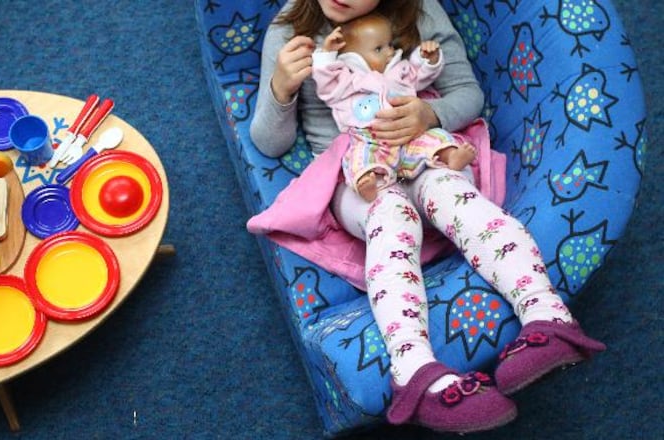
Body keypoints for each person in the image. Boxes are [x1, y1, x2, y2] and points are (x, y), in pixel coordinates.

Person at [250, 0, 605, 433]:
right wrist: (281, 88)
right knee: (392, 214)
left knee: (453, 194)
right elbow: (269, 143)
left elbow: (466, 93)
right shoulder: (290, 31)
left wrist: (428, 113)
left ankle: (549, 318)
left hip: (422, 146)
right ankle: (415, 371)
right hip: (354, 171)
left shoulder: (419, 12)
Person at [312, 12, 476, 201]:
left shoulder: (399, 72)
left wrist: (427, 59)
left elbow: (418, 75)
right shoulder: (348, 83)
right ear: (353, 58)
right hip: (369, 141)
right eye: (379, 49)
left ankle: (450, 155)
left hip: (409, 136)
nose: (390, 52)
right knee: (357, 158)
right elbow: (326, 81)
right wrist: (327, 56)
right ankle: (365, 182)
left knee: (434, 137)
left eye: (390, 44)